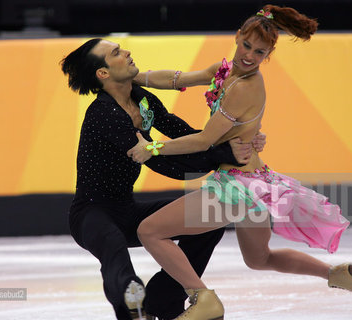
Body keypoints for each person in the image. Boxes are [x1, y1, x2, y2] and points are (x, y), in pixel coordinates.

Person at [128, 5, 352, 320]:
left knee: (150, 231)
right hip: (255, 182)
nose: (250, 55)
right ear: (237, 38)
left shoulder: (246, 86)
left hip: (238, 189)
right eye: (247, 46)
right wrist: (135, 76)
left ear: (269, 53)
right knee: (260, 258)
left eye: (260, 51)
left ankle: (203, 299)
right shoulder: (225, 71)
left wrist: (152, 148)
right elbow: (179, 78)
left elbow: (204, 141)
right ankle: (341, 273)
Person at [60, 38, 267, 320]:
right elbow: (165, 164)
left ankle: (163, 299)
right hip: (91, 213)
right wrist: (223, 154)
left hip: (126, 209)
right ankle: (134, 307)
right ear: (103, 73)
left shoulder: (141, 98)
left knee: (206, 223)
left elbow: (183, 135)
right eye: (117, 53)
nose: (128, 52)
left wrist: (237, 140)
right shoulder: (103, 114)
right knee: (113, 247)